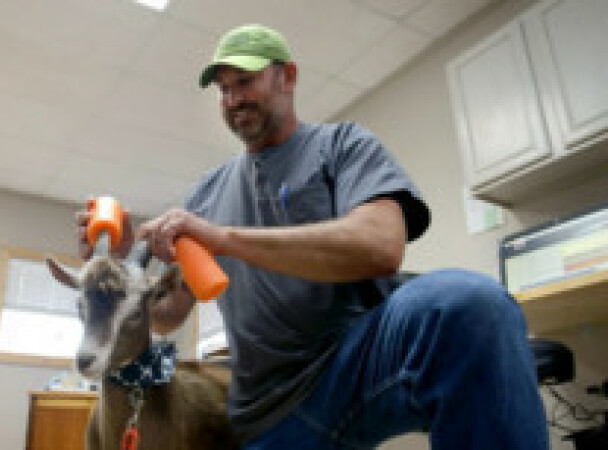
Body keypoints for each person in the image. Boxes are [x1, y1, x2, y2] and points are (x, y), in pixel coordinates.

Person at [77, 24, 549, 450]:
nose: (233, 99)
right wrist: (120, 278)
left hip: (356, 367)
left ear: (288, 76)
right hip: (266, 412)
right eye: (224, 90)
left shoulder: (343, 146)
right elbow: (168, 316)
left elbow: (381, 245)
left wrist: (224, 238)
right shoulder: (207, 192)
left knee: (468, 304)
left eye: (245, 81)